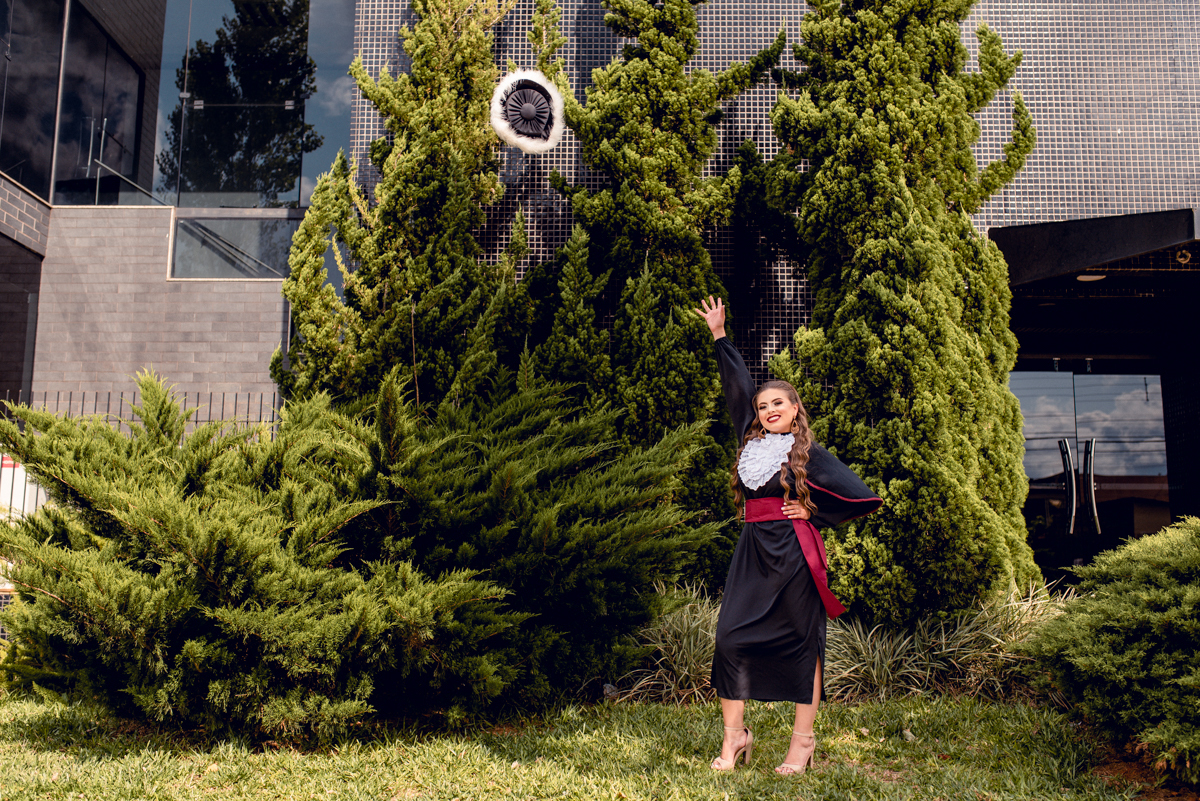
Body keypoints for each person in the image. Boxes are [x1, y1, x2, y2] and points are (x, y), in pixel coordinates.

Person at [693, 296, 882, 776]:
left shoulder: (809, 453)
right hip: (752, 553)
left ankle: (802, 744)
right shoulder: (750, 441)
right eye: (763, 405)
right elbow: (736, 388)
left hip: (795, 557)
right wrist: (719, 336)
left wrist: (813, 512)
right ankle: (735, 735)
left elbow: (861, 495)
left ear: (795, 409)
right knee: (730, 637)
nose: (769, 409)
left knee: (803, 645)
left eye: (778, 402)